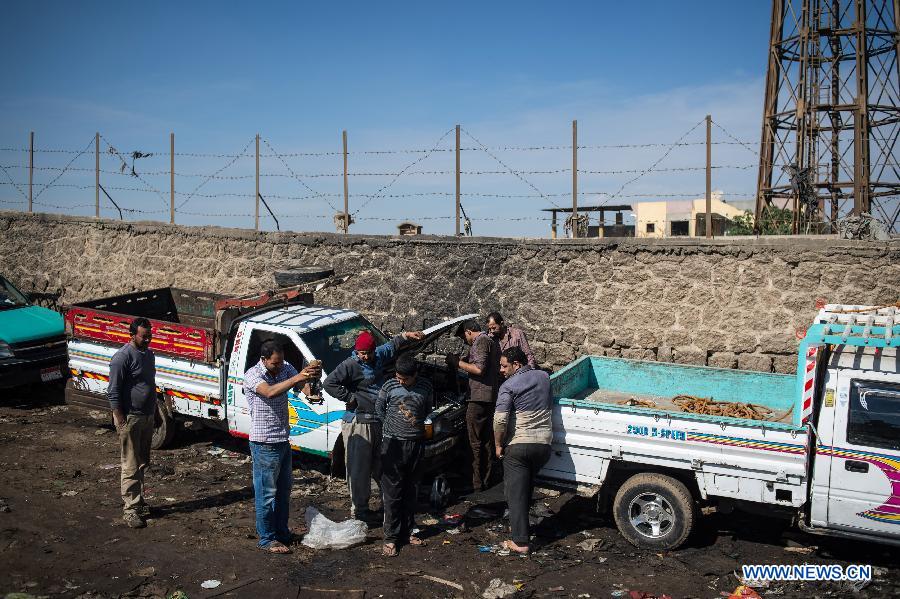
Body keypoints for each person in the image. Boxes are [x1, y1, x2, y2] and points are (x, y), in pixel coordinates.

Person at [324, 328, 424, 521]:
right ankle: (360, 512)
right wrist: (350, 398)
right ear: (356, 351)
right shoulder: (350, 365)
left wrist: (406, 336)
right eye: (362, 353)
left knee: (382, 465)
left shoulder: (378, 355)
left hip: (378, 420)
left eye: (369, 353)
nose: (366, 357)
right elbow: (329, 383)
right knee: (359, 470)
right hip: (359, 423)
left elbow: (392, 345)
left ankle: (390, 506)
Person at [243, 339, 321, 554]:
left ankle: (281, 533)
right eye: (274, 363)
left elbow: (303, 387)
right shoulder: (253, 375)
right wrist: (298, 377)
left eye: (280, 362)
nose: (279, 367)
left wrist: (310, 383)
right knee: (266, 495)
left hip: (282, 440)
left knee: (283, 492)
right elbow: (269, 392)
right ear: (263, 359)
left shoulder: (285, 367)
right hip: (264, 443)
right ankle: (267, 538)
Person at [494, 346, 553, 556]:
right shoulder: (544, 377)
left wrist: (498, 445)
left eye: (504, 366)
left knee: (515, 494)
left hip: (519, 445)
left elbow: (500, 420)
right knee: (526, 487)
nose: (501, 370)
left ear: (516, 365)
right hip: (544, 445)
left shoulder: (508, 385)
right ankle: (523, 528)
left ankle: (520, 541)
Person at [376, 353, 433, 556]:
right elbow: (379, 409)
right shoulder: (389, 386)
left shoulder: (426, 387)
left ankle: (408, 531)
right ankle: (390, 538)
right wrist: (391, 428)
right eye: (398, 377)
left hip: (416, 444)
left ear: (415, 374)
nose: (401, 381)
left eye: (405, 379)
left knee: (412, 490)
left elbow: (427, 410)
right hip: (392, 444)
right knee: (392, 493)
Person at [108, 317, 160, 529]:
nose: (148, 339)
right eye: (144, 336)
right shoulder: (122, 358)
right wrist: (120, 418)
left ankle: (138, 501)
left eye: (150, 335)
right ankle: (130, 510)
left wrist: (153, 411)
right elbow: (113, 390)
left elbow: (149, 383)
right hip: (130, 417)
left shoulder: (149, 355)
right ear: (132, 335)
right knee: (130, 463)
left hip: (146, 416)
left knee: (141, 461)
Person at [446, 319, 500, 491]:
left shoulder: (481, 341)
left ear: (469, 331)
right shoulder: (489, 341)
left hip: (479, 399)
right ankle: (485, 479)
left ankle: (476, 482)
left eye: (464, 338)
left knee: (474, 441)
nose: (465, 342)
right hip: (488, 397)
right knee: (485, 440)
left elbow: (478, 369)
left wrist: (457, 363)